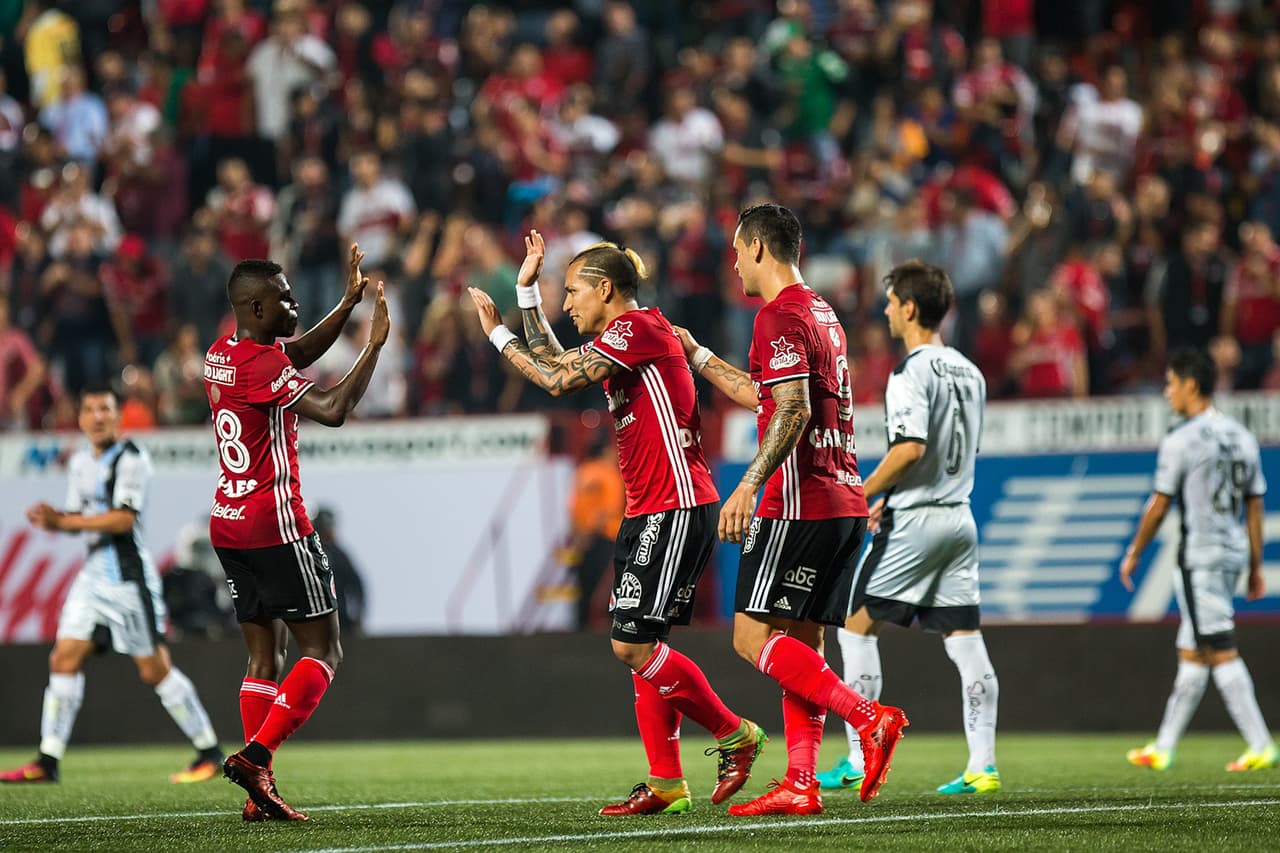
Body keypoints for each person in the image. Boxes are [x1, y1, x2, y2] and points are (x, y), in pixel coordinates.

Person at [469, 231, 766, 816]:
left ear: (606, 289)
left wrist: (499, 334)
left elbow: (554, 380)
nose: (569, 303)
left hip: (674, 504)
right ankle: (665, 782)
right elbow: (558, 361)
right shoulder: (621, 338)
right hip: (650, 505)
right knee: (645, 646)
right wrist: (527, 294)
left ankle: (735, 734)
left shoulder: (637, 328)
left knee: (631, 645)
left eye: (574, 292)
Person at [674, 204, 908, 816]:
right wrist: (700, 357)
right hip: (844, 499)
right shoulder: (821, 312)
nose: (732, 262)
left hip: (796, 503)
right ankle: (801, 781)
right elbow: (768, 394)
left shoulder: (776, 315)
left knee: (751, 638)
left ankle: (868, 718)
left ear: (756, 247)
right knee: (801, 645)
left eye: (735, 249)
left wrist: (750, 482)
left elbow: (795, 408)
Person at [209, 244, 389, 821]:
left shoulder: (224, 352)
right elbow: (333, 408)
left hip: (229, 524)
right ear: (257, 308)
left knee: (264, 659)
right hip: (276, 525)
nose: (294, 305)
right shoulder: (263, 366)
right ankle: (258, 756)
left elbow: (298, 350)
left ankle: (259, 794)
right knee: (324, 649)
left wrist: (346, 302)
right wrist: (373, 346)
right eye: (285, 298)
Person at [817, 260, 1000, 796]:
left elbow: (911, 447)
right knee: (967, 642)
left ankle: (856, 756)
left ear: (912, 308)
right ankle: (982, 765)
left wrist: (862, 494)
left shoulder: (910, 372)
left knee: (854, 626)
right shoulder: (971, 371)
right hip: (960, 518)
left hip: (917, 520)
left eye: (893, 300)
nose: (887, 308)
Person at [0, 387, 224, 785]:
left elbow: (122, 520)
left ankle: (210, 752)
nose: (97, 416)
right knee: (64, 658)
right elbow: (81, 516)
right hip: (92, 577)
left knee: (153, 670)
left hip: (125, 579)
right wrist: (56, 518)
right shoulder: (81, 461)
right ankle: (47, 761)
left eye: (105, 408)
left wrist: (65, 523)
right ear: (81, 418)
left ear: (118, 416)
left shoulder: (132, 458)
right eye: (89, 409)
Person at [1120, 350, 1278, 772]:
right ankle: (1164, 747)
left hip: (1200, 556)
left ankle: (1262, 743)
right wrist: (1257, 564)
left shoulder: (1182, 440)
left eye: (1171, 382)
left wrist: (1134, 552)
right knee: (1193, 651)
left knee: (1220, 649)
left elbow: (1159, 505)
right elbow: (1256, 504)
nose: (1167, 391)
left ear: (1191, 384)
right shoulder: (1241, 436)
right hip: (1231, 553)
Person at [311, 507, 367, 635]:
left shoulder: (339, 555)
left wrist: (357, 616)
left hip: (339, 620)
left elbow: (356, 586)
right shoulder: (305, 554)